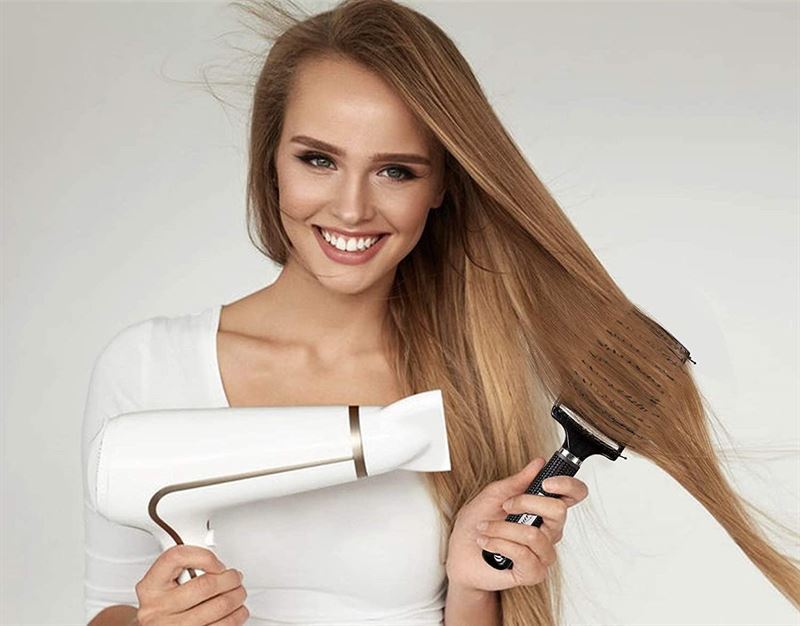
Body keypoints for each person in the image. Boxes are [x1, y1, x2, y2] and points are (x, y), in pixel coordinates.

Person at [82, 0, 800, 625]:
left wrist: (472, 585)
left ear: (442, 187)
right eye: (318, 160)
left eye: (396, 170)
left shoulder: (480, 379)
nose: (352, 208)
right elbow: (107, 606)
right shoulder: (149, 368)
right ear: (270, 160)